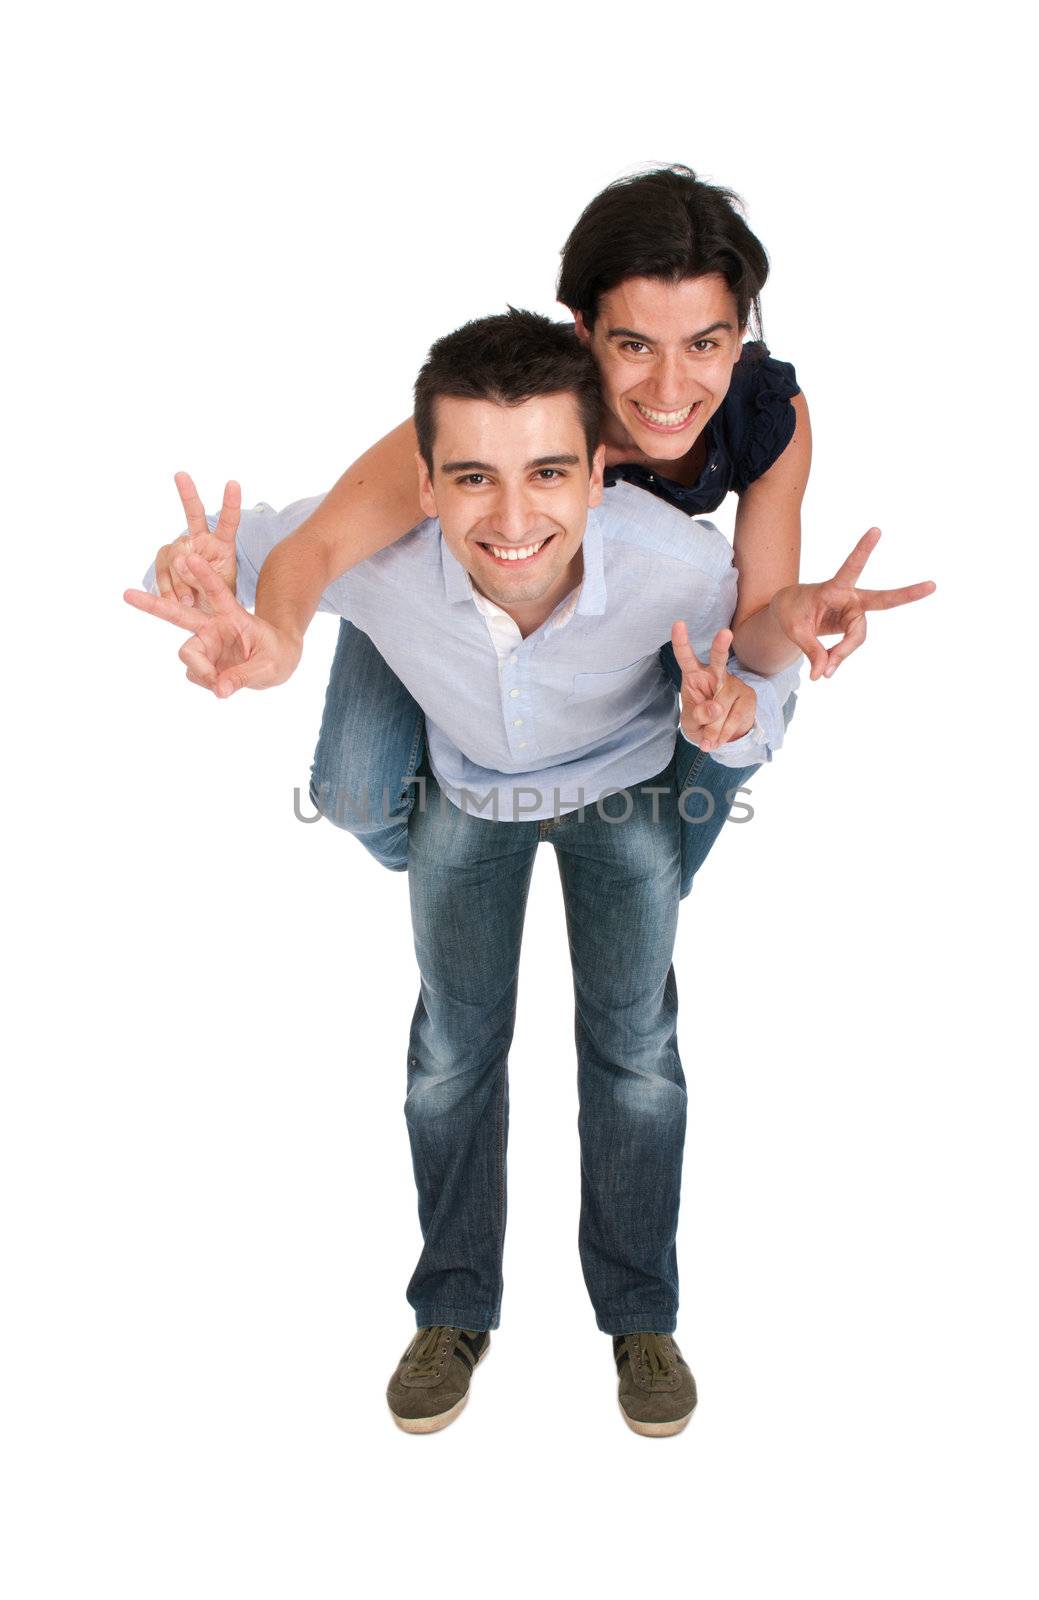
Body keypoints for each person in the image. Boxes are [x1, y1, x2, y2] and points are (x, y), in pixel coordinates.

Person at [125, 311, 933, 1435]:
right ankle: (454, 1306)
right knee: (451, 1053)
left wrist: (737, 708)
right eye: (472, 478)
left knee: (635, 1052)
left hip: (625, 790)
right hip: (468, 789)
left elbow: (758, 692)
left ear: (600, 473)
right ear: (424, 484)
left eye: (549, 472)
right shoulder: (384, 553)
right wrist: (198, 571)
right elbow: (238, 560)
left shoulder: (683, 566)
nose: (512, 518)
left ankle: (640, 1317)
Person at [151, 166, 928, 896]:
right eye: (633, 346)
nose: (668, 388)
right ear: (583, 329)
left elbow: (752, 640)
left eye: (703, 344)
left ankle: (637, 870)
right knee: (354, 794)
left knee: (734, 727)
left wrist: (789, 619)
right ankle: (469, 845)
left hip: (618, 607)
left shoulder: (767, 416)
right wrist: (279, 631)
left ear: (738, 331)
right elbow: (320, 543)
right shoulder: (514, 402)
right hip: (464, 582)